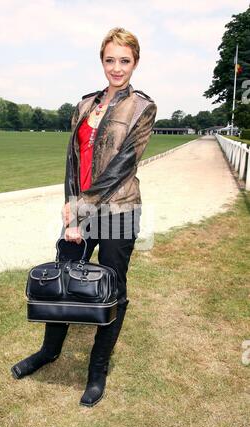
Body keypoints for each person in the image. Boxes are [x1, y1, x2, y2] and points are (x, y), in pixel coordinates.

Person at [11, 27, 157, 407]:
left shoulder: (143, 107)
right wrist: (70, 205)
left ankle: (97, 370)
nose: (117, 67)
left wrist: (82, 206)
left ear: (135, 62)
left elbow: (123, 165)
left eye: (125, 60)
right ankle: (49, 352)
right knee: (62, 277)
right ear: (102, 61)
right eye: (110, 60)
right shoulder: (83, 105)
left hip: (120, 209)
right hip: (80, 208)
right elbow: (73, 162)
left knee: (113, 288)